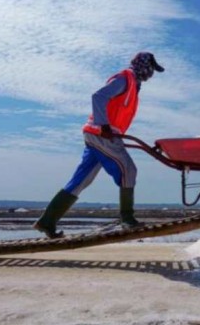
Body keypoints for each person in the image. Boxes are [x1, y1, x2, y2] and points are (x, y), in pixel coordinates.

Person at [33, 52, 164, 238]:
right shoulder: (125, 79)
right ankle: (127, 219)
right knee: (129, 170)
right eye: (151, 69)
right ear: (144, 65)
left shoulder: (134, 84)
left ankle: (47, 222)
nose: (151, 74)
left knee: (81, 180)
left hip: (97, 134)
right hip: (102, 134)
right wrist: (104, 126)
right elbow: (98, 97)